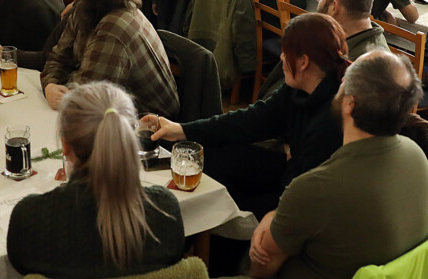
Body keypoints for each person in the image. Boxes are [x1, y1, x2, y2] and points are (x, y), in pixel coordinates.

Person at [209, 50, 428, 279]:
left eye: (343, 83)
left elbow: (261, 268)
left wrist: (270, 225)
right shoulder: (416, 157)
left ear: (349, 104)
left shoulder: (318, 186)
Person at [145, 13, 348, 218]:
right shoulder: (298, 89)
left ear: (304, 62)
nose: (281, 57)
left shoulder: (330, 117)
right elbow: (250, 121)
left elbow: (305, 194)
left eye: (285, 52)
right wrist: (181, 130)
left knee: (226, 206)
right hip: (291, 172)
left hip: (303, 203)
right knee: (219, 155)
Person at [7, 82, 185, 279]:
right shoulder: (166, 213)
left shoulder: (30, 220)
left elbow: (19, 271)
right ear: (129, 139)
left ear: (65, 145)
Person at [42, 0, 178, 116]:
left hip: (145, 128)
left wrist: (62, 86)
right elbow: (57, 58)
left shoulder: (114, 28)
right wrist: (51, 86)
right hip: (107, 110)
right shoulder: (85, 7)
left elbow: (87, 96)